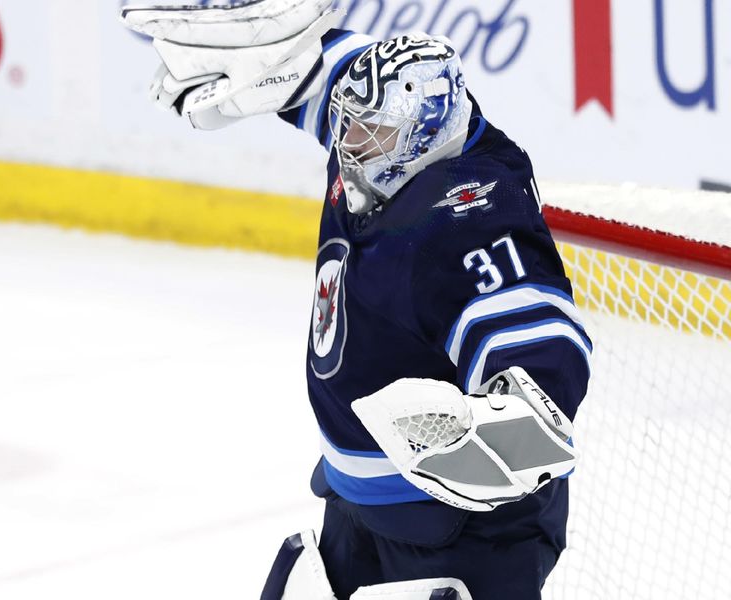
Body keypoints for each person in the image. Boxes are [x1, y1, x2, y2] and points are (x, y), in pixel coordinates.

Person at [122, 3, 591, 599]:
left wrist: (500, 428)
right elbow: (329, 78)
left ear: (423, 134)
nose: (349, 145)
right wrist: (282, 45)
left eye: (372, 134)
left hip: (461, 533)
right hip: (361, 505)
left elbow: (542, 344)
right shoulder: (387, 148)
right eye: (349, 126)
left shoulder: (468, 212)